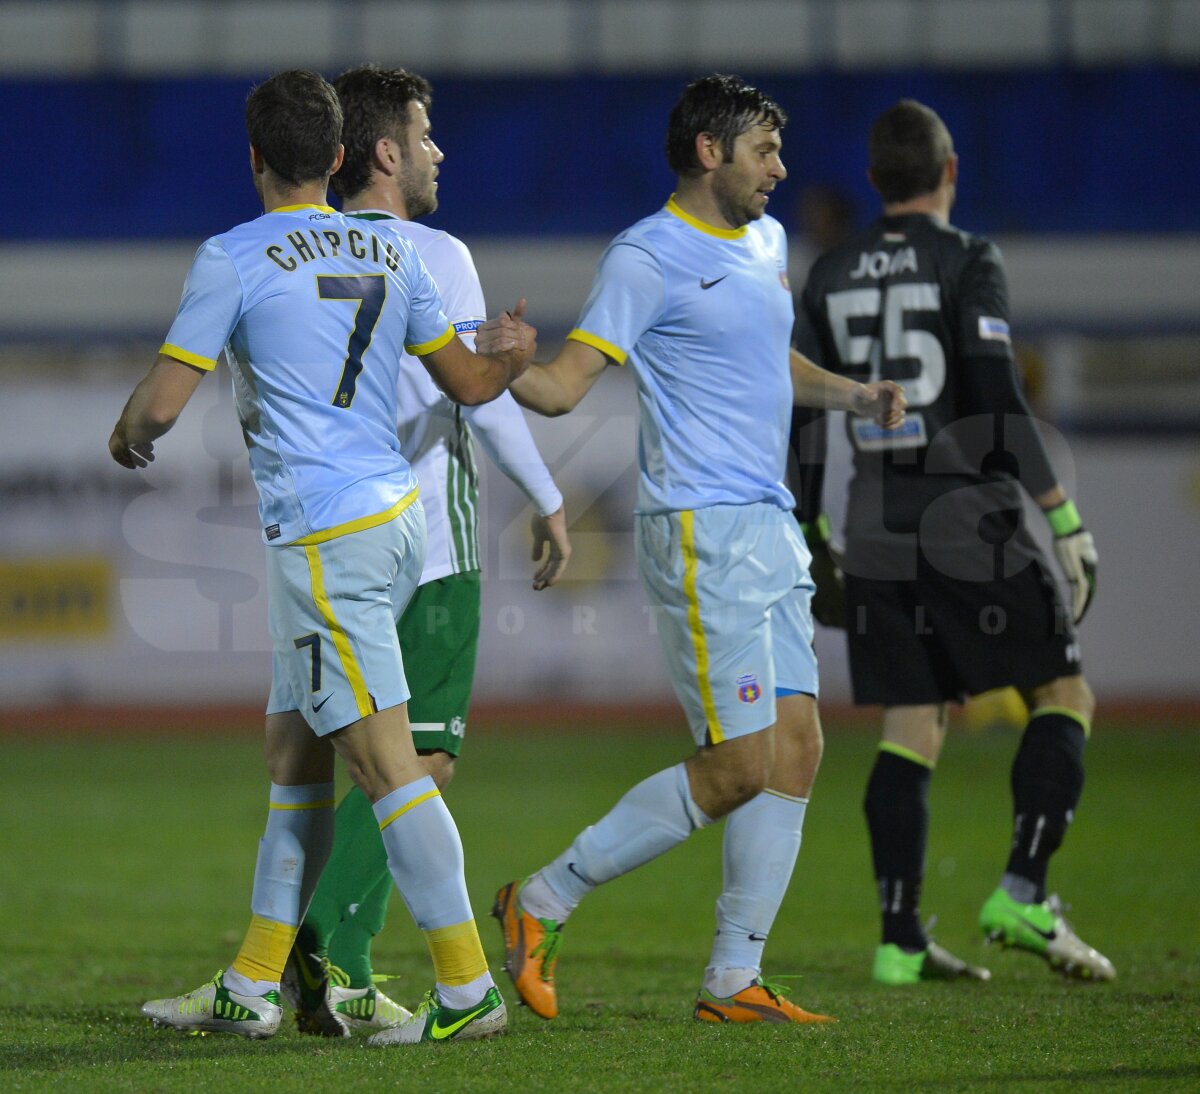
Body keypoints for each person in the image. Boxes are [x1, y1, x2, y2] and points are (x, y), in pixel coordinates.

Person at [111, 69, 536, 1045]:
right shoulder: (391, 246)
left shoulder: (234, 254)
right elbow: (470, 380)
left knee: (390, 767)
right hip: (389, 525)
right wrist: (510, 353)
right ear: (340, 157)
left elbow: (166, 405)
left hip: (324, 537)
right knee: (294, 753)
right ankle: (255, 980)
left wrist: (128, 424)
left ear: (255, 158)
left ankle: (467, 986)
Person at [475, 73, 905, 1024]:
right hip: (701, 533)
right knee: (739, 764)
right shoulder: (647, 257)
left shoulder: (766, 240)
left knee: (797, 750)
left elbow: (766, 358)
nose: (781, 171)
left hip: (770, 524)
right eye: (765, 152)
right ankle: (540, 899)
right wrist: (504, 365)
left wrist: (853, 394)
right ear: (709, 151)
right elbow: (562, 388)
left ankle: (732, 980)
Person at [790, 98, 1113, 986]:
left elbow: (807, 410)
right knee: (1064, 690)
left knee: (912, 720)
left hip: (875, 516)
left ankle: (897, 937)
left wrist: (811, 525)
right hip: (966, 508)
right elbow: (996, 395)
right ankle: (1023, 890)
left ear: (874, 180)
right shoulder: (968, 257)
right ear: (950, 171)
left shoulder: (829, 269)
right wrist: (1061, 516)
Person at [280, 64, 571, 1039]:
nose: (440, 149)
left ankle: (329, 959)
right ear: (388, 153)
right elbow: (477, 398)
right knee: (425, 760)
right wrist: (549, 496)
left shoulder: (300, 250)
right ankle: (329, 939)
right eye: (426, 132)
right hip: (434, 543)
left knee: (359, 754)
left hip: (339, 538)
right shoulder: (436, 253)